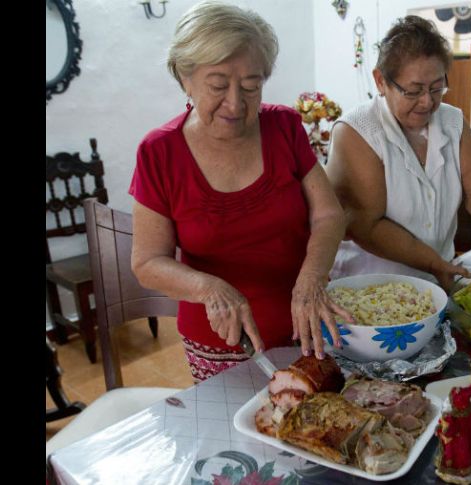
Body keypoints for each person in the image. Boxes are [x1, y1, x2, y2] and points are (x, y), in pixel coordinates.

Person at [129, 1, 351, 381]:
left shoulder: (283, 126)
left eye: (251, 86)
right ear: (185, 76)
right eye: (218, 85)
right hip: (221, 342)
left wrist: (312, 278)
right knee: (238, 436)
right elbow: (147, 263)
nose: (235, 103)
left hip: (309, 326)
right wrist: (208, 288)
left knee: (320, 426)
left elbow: (329, 213)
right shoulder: (159, 152)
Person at [325, 15, 471, 292]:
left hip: (435, 283)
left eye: (437, 88)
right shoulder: (358, 131)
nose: (427, 102)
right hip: (367, 290)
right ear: (380, 81)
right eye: (413, 91)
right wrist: (435, 264)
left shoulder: (451, 122)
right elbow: (365, 224)